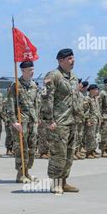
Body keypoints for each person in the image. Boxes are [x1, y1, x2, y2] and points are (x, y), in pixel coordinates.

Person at [42, 49, 79, 194]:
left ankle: (63, 181)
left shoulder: (73, 77)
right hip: (58, 122)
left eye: (73, 58)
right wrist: (49, 120)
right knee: (59, 154)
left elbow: (75, 98)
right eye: (69, 58)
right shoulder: (53, 76)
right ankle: (55, 183)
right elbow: (46, 98)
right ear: (60, 61)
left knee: (69, 155)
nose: (72, 61)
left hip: (71, 121)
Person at [7, 61, 39, 183]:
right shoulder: (15, 85)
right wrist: (14, 121)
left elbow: (36, 103)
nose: (32, 72)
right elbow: (10, 104)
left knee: (31, 147)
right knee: (21, 147)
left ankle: (27, 171)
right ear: (23, 71)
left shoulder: (34, 85)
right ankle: (20, 173)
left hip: (32, 120)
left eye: (33, 69)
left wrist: (37, 118)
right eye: (30, 69)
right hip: (21, 121)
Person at [84, 84, 101, 159]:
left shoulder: (95, 98)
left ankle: (93, 150)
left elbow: (97, 110)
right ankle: (88, 152)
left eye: (97, 89)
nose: (97, 91)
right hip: (91, 120)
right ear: (91, 90)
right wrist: (87, 120)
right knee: (90, 136)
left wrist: (100, 118)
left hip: (96, 120)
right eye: (96, 89)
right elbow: (86, 111)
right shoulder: (87, 99)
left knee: (95, 136)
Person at [73, 79, 88, 160]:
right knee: (74, 136)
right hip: (74, 118)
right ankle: (73, 152)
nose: (81, 85)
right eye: (79, 83)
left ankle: (77, 151)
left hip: (80, 119)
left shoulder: (81, 95)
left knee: (79, 136)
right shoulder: (73, 94)